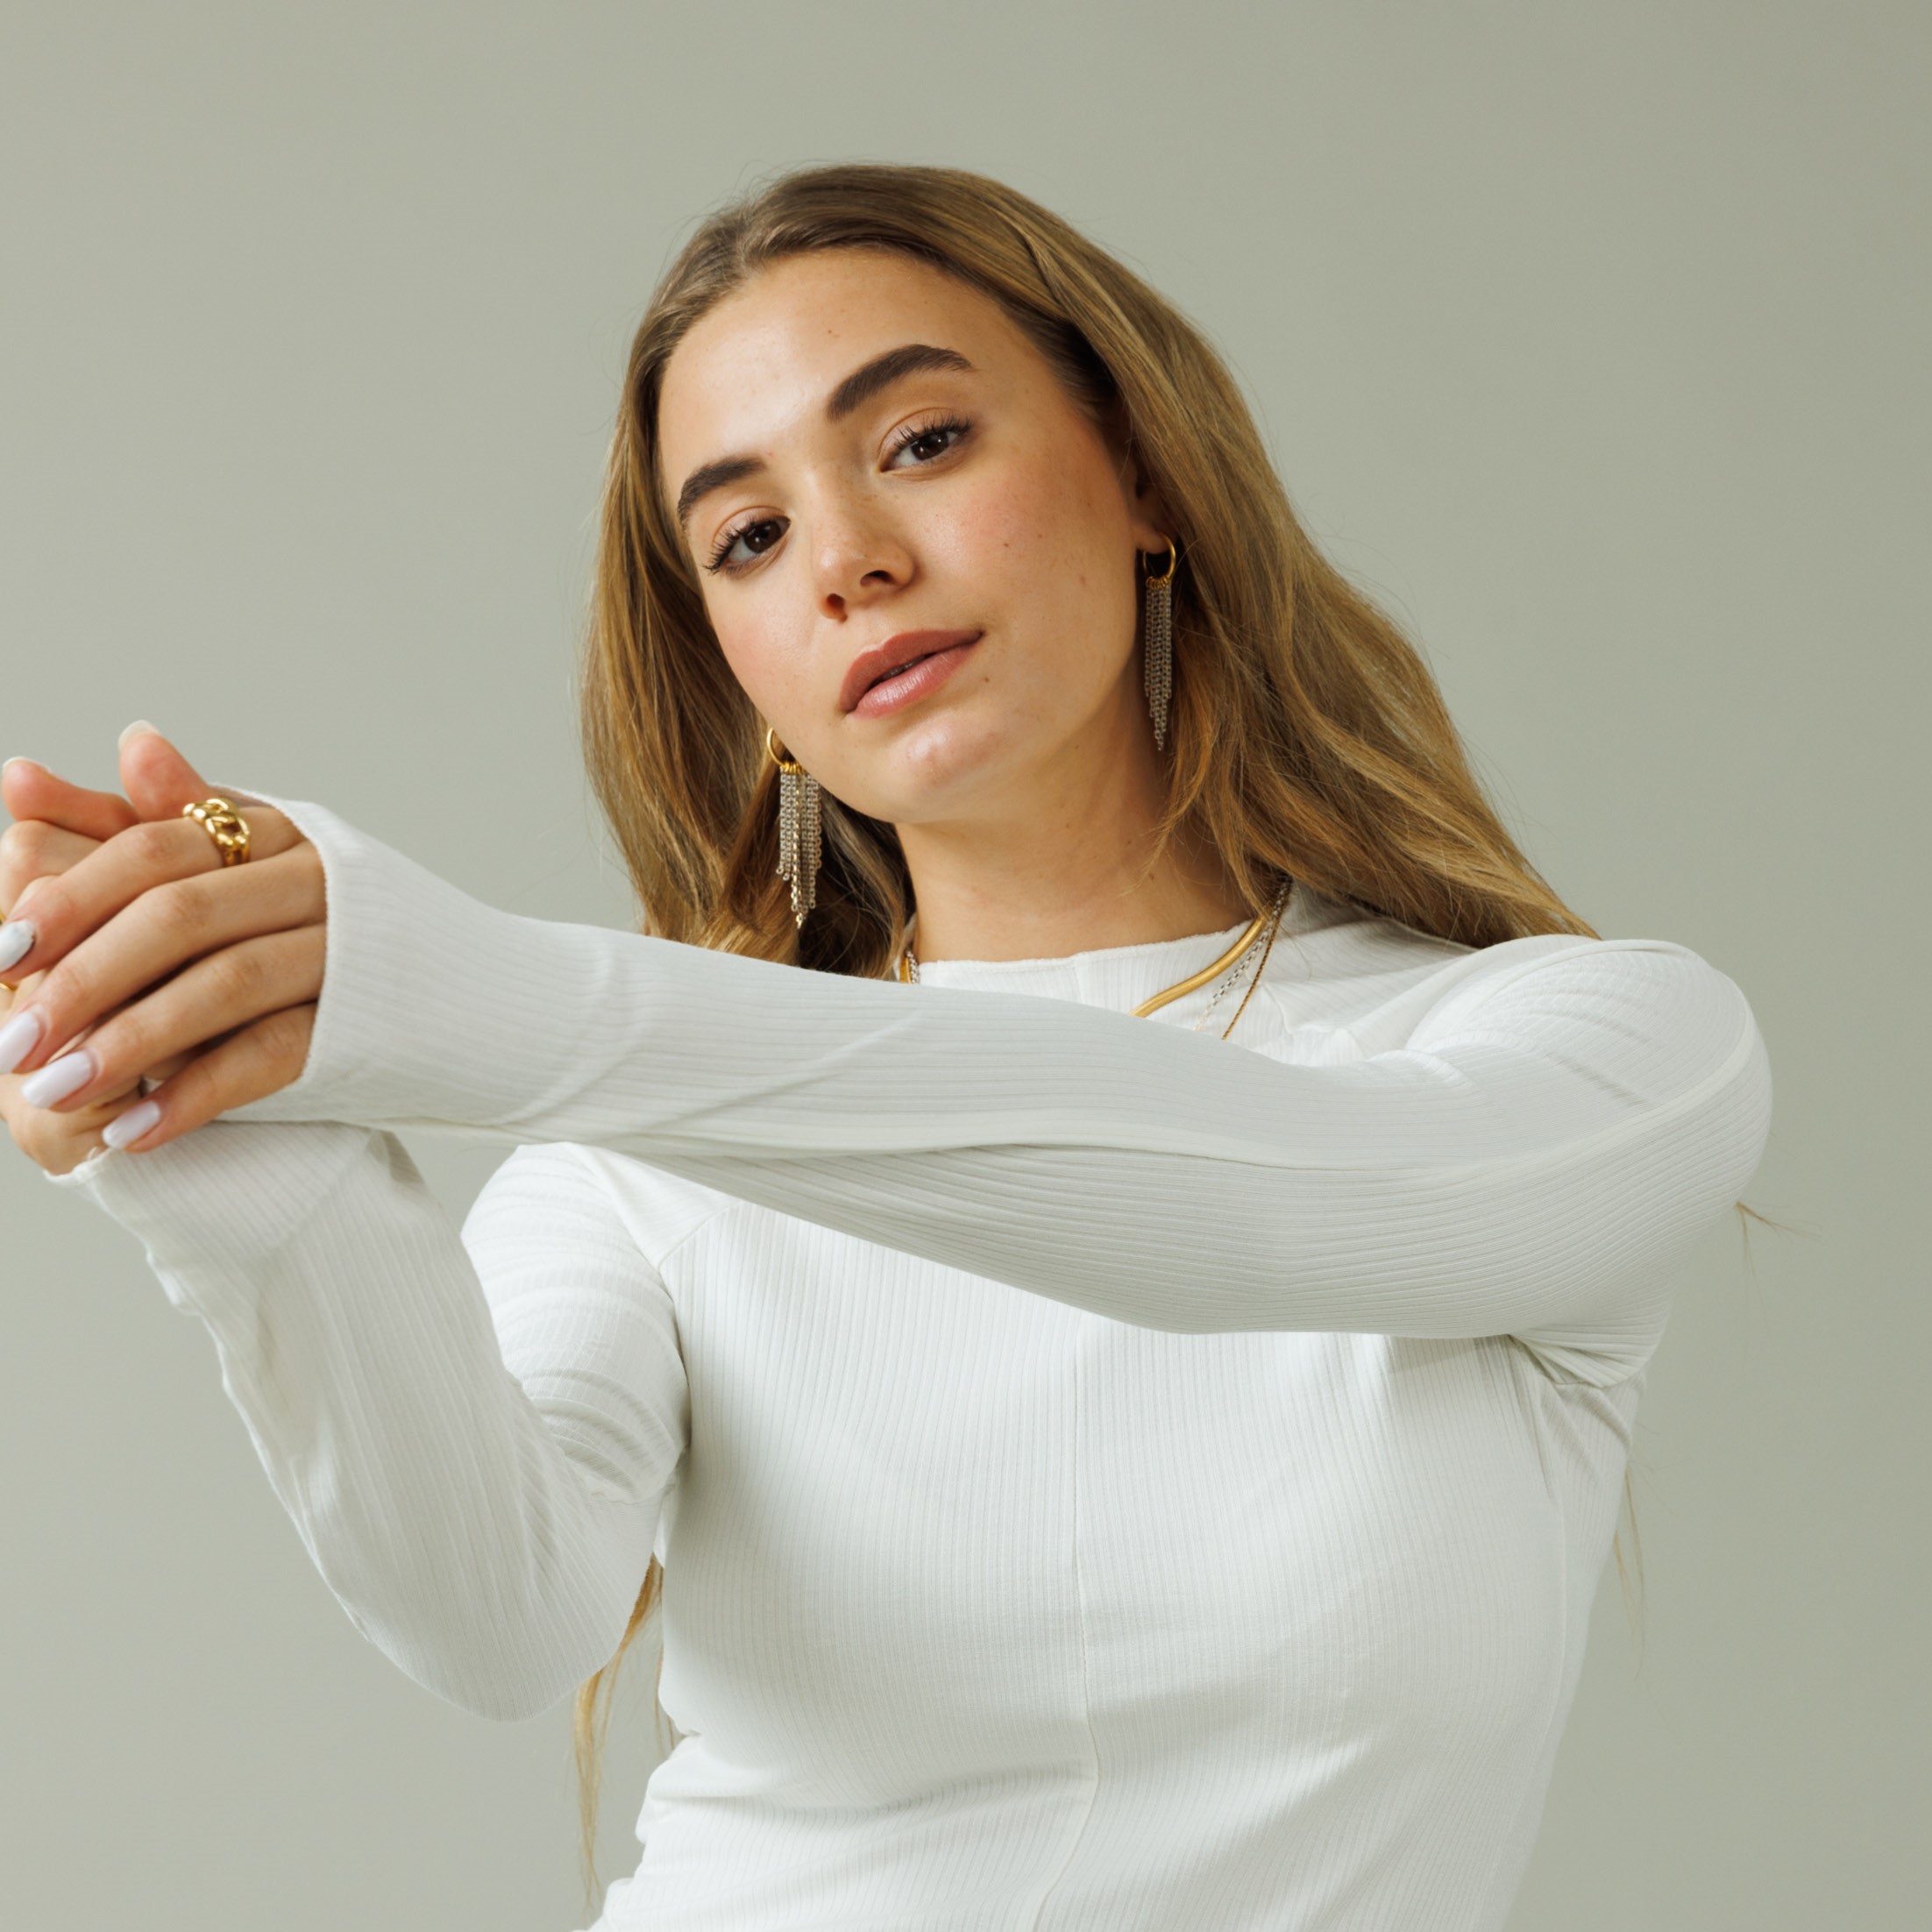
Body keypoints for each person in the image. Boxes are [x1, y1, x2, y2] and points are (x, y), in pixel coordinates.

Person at [0, 163, 1772, 1931]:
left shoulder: (1602, 1057)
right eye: (748, 538)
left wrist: (454, 995)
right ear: (735, 663)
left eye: (920, 442)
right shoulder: (639, 1157)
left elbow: (1255, 1207)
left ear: (1144, 471)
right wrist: (227, 1129)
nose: (848, 560)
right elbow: (500, 1617)